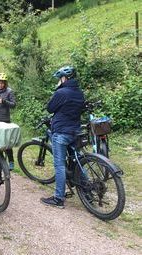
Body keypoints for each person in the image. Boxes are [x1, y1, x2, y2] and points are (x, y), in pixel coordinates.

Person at [40, 66, 85, 209]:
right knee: (78, 162)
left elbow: (50, 108)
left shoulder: (61, 92)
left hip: (61, 131)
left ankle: (58, 198)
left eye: (60, 79)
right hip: (75, 130)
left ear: (64, 78)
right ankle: (87, 190)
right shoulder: (79, 92)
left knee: (59, 165)